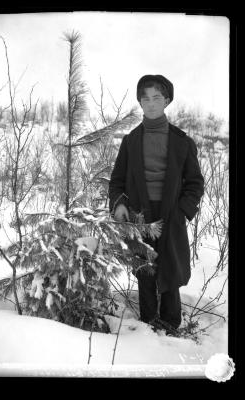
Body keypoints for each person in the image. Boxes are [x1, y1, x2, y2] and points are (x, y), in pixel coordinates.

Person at [108, 74, 204, 333]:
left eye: (156, 98)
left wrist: (182, 211)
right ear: (140, 102)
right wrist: (119, 205)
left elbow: (195, 182)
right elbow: (116, 181)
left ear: (167, 100)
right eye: (145, 98)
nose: (150, 103)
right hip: (141, 214)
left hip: (170, 213)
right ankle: (148, 321)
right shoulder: (130, 141)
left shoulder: (182, 142)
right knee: (145, 267)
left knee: (171, 266)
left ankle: (171, 323)